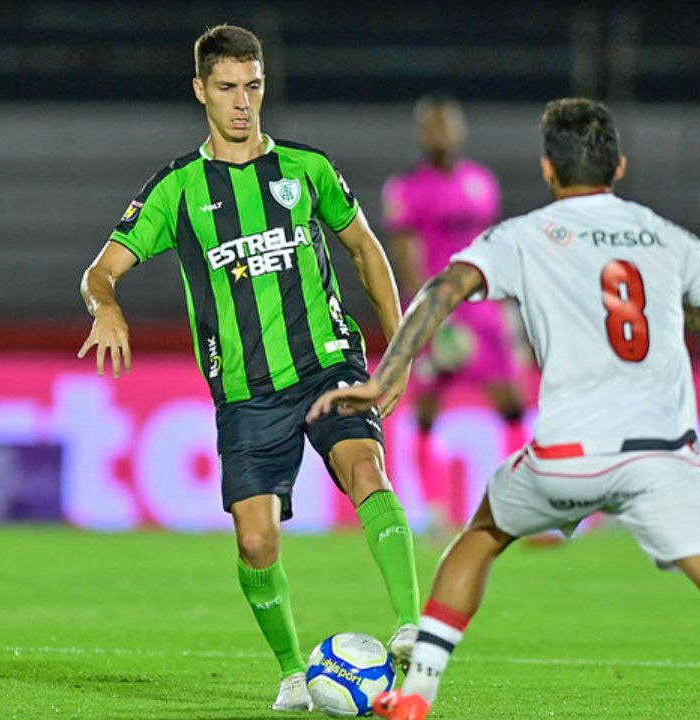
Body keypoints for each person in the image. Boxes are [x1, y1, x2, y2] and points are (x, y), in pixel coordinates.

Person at [308, 98, 700, 720]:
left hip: (567, 455)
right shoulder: (670, 238)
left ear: (548, 170)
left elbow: (441, 288)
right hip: (663, 458)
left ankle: (416, 696)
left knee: (479, 537)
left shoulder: (524, 236)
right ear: (618, 167)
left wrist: (382, 379)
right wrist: (691, 310)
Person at [76, 24, 420, 712]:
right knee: (257, 541)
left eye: (253, 86)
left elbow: (365, 249)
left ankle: (414, 626)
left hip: (327, 363)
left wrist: (400, 340)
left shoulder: (306, 169)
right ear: (200, 90)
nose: (242, 102)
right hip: (245, 391)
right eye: (228, 88)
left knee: (365, 469)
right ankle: (294, 672)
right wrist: (104, 306)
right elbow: (100, 270)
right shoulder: (176, 189)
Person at [381, 96, 526, 537]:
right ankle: (434, 512)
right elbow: (406, 252)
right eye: (432, 127)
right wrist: (428, 315)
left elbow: (493, 248)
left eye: (447, 126)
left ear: (460, 131)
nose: (441, 135)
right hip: (436, 313)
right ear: (422, 134)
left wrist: (509, 309)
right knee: (426, 411)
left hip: (482, 312)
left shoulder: (481, 183)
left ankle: (519, 505)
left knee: (512, 406)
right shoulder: (405, 188)